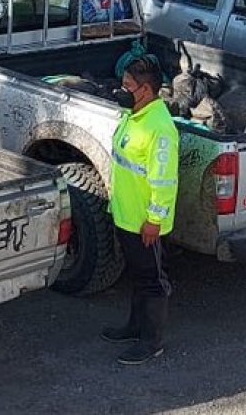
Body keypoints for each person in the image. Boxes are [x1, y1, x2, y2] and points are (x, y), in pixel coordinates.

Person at [101, 56, 179, 364]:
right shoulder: (135, 114)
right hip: (127, 216)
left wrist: (154, 221)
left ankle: (151, 341)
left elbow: (164, 182)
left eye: (128, 86)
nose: (122, 90)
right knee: (138, 275)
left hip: (146, 224)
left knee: (152, 281)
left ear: (145, 90)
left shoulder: (159, 128)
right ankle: (134, 327)